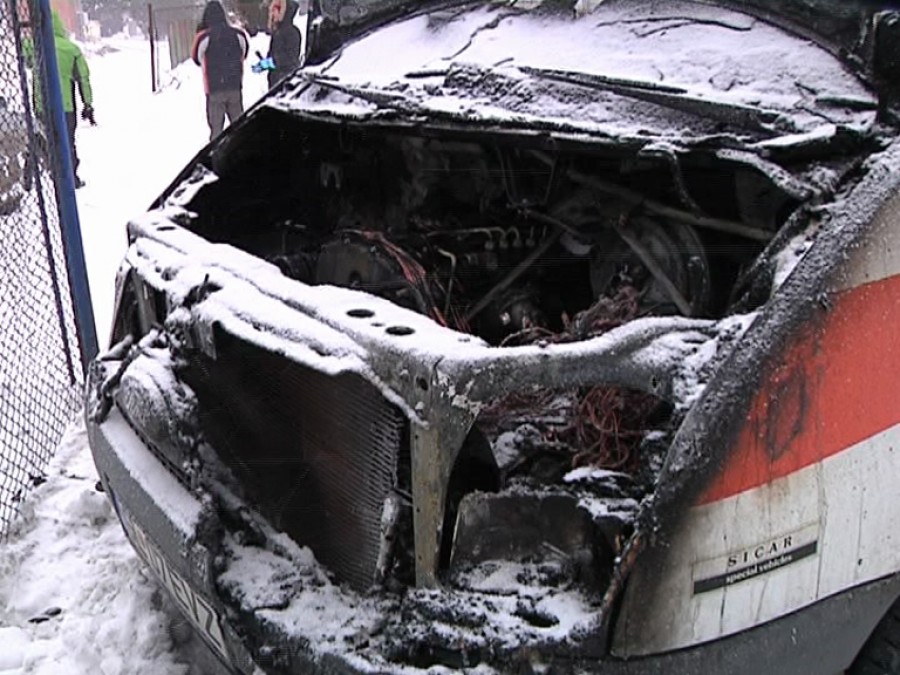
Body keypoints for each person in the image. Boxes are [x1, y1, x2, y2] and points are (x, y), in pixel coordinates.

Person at [191, 1, 250, 140]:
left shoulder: (204, 37)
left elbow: (196, 58)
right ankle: (242, 154)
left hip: (214, 89)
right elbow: (244, 53)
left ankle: (217, 158)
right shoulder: (238, 34)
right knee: (239, 127)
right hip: (235, 87)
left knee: (216, 130)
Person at [50, 11, 95, 188]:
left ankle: (35, 178)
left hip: (41, 104)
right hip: (66, 105)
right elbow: (83, 78)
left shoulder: (34, 46)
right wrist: (88, 104)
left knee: (45, 142)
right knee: (67, 142)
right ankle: (70, 179)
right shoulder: (71, 49)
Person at [266, 0, 301, 89]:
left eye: (276, 9)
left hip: (285, 80)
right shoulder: (277, 32)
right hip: (275, 80)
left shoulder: (292, 32)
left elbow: (289, 59)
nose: (273, 13)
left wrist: (270, 62)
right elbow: (272, 55)